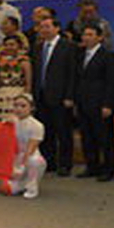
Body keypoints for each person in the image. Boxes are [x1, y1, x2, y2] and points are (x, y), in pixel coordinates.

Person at [32, 18, 77, 176]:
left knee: (63, 132)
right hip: (41, 96)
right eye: (41, 27)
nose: (44, 30)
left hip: (61, 97)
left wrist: (69, 96)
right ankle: (49, 163)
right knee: (46, 132)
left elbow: (72, 73)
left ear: (57, 28)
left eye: (47, 27)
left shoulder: (68, 46)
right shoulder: (38, 47)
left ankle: (65, 164)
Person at [75, 24, 114, 181]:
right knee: (87, 137)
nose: (86, 38)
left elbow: (111, 82)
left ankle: (108, 169)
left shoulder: (107, 55)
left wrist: (108, 104)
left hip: (100, 103)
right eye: (84, 34)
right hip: (83, 102)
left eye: (90, 34)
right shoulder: (80, 55)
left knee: (104, 138)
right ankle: (92, 167)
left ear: (99, 37)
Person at [0, 94, 47, 199]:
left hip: (29, 157)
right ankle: (22, 184)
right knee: (6, 188)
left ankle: (32, 187)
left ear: (31, 108)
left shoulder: (37, 125)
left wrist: (21, 167)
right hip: (15, 157)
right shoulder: (10, 122)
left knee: (34, 161)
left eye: (23, 106)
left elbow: (31, 148)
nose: (19, 109)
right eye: (16, 105)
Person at [0, 35, 32, 121]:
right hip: (2, 95)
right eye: (6, 45)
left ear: (19, 46)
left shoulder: (24, 61)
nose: (9, 47)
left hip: (18, 93)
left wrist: (26, 98)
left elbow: (28, 82)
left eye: (12, 45)